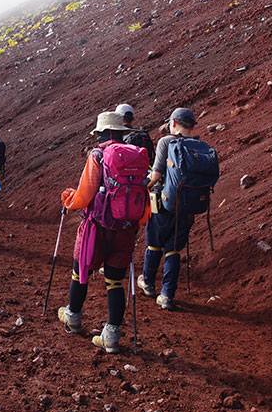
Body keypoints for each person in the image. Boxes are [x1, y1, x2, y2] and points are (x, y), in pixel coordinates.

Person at [57, 111, 151, 353]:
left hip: (97, 228)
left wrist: (69, 201)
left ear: (102, 134)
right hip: (126, 229)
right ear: (121, 133)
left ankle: (73, 317)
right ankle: (111, 336)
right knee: (115, 282)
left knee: (80, 273)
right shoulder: (138, 156)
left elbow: (85, 194)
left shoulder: (98, 155)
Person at [138, 107, 198, 311]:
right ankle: (166, 296)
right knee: (173, 249)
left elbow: (155, 176)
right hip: (188, 208)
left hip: (164, 204)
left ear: (173, 123)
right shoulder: (198, 145)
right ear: (192, 126)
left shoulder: (166, 142)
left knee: (154, 244)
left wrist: (141, 186)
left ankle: (147, 283)